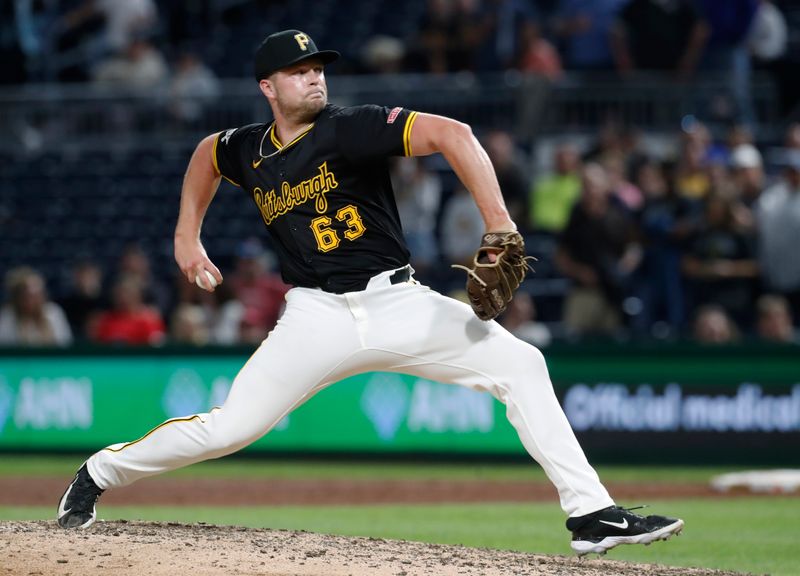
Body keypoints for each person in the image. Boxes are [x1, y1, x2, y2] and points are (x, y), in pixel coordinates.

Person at [56, 29, 683, 555]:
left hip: (398, 304)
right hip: (314, 317)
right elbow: (204, 154)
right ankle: (98, 472)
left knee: (522, 363)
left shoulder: (351, 129)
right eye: (297, 72)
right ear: (267, 88)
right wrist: (187, 238)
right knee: (229, 429)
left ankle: (590, 516)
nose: (314, 79)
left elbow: (456, 134)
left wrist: (501, 225)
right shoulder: (247, 148)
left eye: (317, 68)